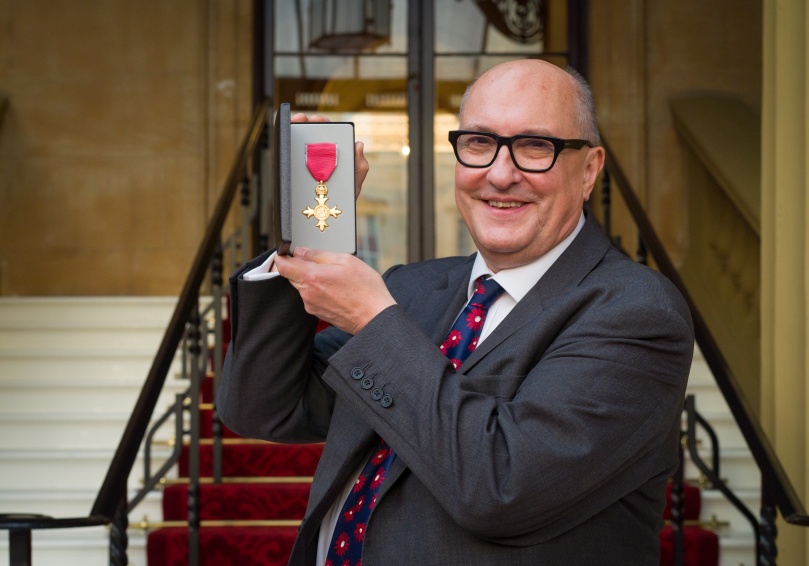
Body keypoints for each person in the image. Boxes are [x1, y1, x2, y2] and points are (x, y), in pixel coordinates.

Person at [217, 59, 694, 565]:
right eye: (479, 143)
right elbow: (263, 407)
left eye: (536, 146)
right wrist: (312, 229)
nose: (501, 174)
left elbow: (503, 486)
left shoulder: (636, 312)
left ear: (589, 169)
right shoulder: (412, 289)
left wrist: (374, 322)